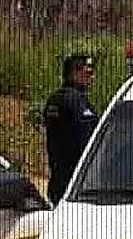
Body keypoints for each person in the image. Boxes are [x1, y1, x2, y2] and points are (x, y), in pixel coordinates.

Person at [41, 54, 99, 203]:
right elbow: (89, 143)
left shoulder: (55, 100)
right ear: (75, 73)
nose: (93, 77)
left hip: (59, 182)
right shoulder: (75, 101)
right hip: (78, 185)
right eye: (89, 72)